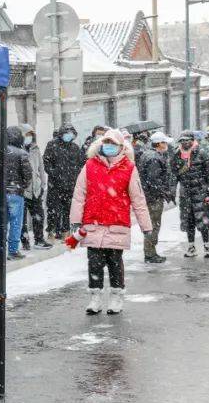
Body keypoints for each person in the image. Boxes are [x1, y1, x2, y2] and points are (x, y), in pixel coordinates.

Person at [68, 129, 153, 315]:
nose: (109, 147)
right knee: (94, 263)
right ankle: (95, 297)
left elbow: (138, 199)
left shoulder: (129, 168)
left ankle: (116, 296)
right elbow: (79, 195)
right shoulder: (90, 165)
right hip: (93, 223)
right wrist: (75, 219)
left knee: (115, 262)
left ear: (121, 147)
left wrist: (146, 225)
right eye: (106, 143)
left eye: (113, 144)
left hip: (117, 224)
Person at [171, 130, 209, 258]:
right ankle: (191, 247)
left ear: (192, 140)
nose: (185, 143)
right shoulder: (177, 155)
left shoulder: (201, 153)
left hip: (201, 193)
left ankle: (207, 247)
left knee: (203, 221)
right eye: (182, 140)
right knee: (189, 221)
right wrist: (172, 190)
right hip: (186, 194)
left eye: (187, 140)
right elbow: (173, 175)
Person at [0, 126, 33, 261]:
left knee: (1, 222)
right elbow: (28, 174)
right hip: (16, 193)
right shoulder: (22, 153)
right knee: (16, 222)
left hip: (1, 192)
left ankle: (0, 250)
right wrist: (23, 185)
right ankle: (13, 250)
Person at [136, 131, 172, 263]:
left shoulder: (148, 154)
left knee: (151, 225)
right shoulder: (154, 158)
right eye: (164, 142)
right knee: (153, 225)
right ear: (159, 143)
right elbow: (154, 180)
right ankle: (150, 254)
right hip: (153, 197)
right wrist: (164, 192)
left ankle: (151, 252)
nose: (166, 145)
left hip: (149, 196)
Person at [43, 123, 83, 240]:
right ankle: (51, 230)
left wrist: (75, 174)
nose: (68, 135)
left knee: (68, 209)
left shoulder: (75, 148)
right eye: (66, 133)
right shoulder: (52, 145)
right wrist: (54, 173)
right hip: (55, 184)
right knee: (53, 209)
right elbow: (46, 162)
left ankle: (65, 230)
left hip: (70, 184)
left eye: (71, 133)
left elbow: (80, 163)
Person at [18, 124, 51, 250]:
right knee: (22, 218)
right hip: (22, 189)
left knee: (38, 215)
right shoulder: (17, 150)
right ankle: (25, 241)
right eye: (27, 134)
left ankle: (39, 239)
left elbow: (41, 168)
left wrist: (43, 184)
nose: (29, 137)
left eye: (31, 135)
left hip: (36, 189)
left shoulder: (35, 149)